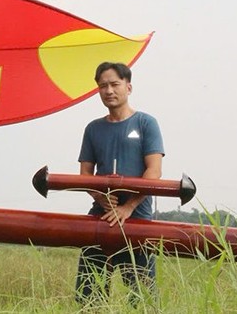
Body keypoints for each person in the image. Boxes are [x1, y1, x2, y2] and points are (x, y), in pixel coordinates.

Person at [75, 62, 164, 307]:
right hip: (101, 217)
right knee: (89, 296)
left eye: (115, 84)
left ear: (128, 86)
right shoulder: (93, 129)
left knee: (143, 299)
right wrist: (99, 199)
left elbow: (154, 170)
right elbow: (85, 174)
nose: (109, 90)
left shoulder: (146, 124)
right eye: (103, 86)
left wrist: (129, 207)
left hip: (138, 219)